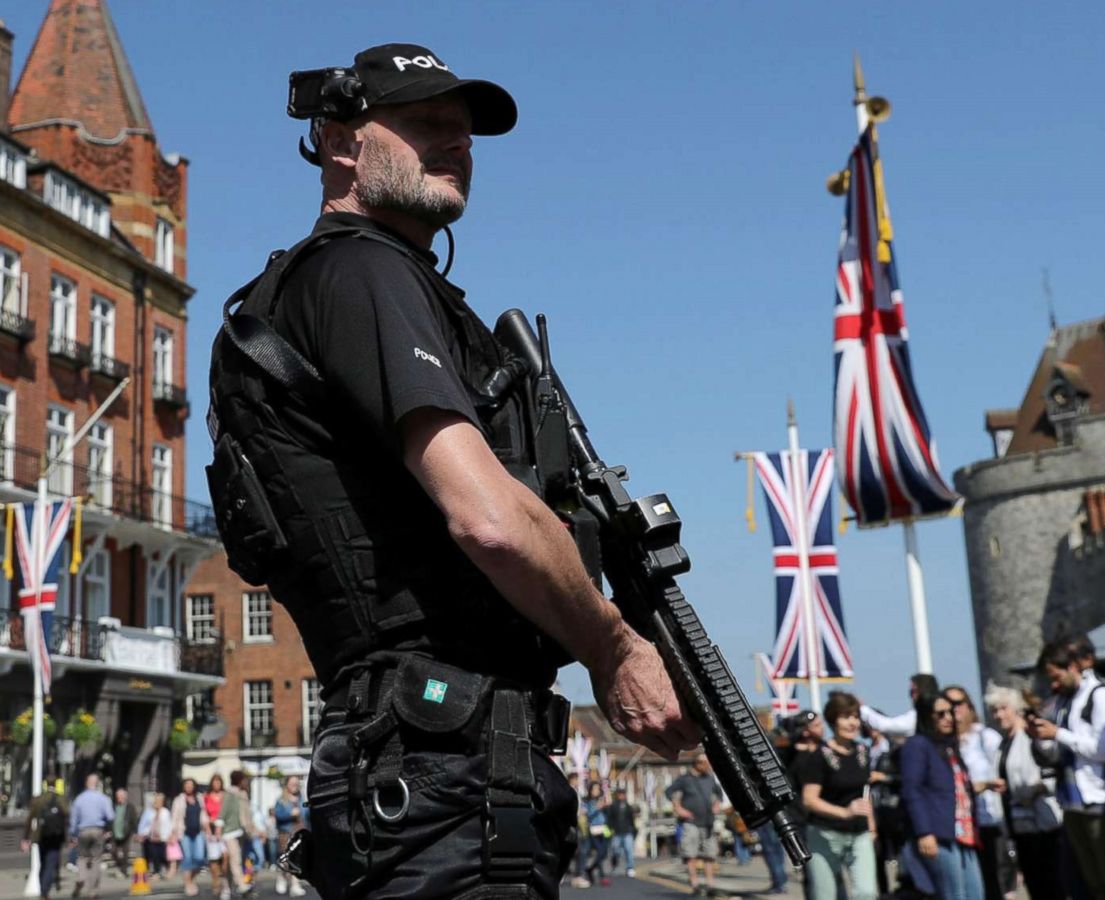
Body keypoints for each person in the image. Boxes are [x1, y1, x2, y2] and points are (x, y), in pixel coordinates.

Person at [205, 41, 698, 898]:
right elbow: (487, 516)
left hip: (424, 763)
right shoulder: (360, 270)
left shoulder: (339, 286)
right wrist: (615, 648)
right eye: (425, 123)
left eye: (464, 131)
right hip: (442, 773)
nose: (456, 142)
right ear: (339, 140)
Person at [1027, 636, 1105, 899]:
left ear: (1072, 667)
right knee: (1093, 881)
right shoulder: (1065, 701)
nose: (1053, 685)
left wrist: (1059, 734)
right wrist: (1041, 736)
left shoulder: (1100, 695)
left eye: (1056, 677)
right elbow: (1058, 750)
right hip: (1073, 802)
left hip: (1102, 800)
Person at [985, 684, 1065, 900]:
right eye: (994, 710)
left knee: (1051, 883)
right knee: (1035, 885)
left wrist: (1032, 789)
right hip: (1018, 827)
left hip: (1041, 824)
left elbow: (1050, 775)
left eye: (1003, 708)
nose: (998, 715)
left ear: (1016, 708)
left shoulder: (1029, 738)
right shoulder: (1003, 744)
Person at [901, 692, 984, 900]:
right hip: (939, 832)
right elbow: (912, 790)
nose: (948, 718)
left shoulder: (949, 747)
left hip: (964, 832)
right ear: (928, 716)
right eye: (940, 713)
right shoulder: (918, 745)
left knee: (975, 893)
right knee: (954, 894)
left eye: (950, 712)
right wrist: (924, 832)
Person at [796, 692, 876, 900]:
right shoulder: (819, 756)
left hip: (859, 834)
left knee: (867, 893)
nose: (852, 723)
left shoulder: (863, 751)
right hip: (824, 833)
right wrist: (844, 812)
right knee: (826, 895)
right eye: (846, 717)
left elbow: (865, 793)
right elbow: (809, 799)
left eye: (856, 717)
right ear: (833, 720)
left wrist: (871, 825)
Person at [944, 686, 1011, 900]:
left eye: (959, 703)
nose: (955, 710)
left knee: (993, 881)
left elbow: (1003, 772)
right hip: (960, 826)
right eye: (949, 705)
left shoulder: (985, 736)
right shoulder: (945, 744)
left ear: (969, 706)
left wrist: (986, 785)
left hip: (987, 821)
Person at [667, 754, 721, 893]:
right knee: (691, 854)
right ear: (697, 764)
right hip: (690, 822)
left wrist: (716, 804)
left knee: (709, 855)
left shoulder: (709, 778)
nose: (708, 766)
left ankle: (710, 885)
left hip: (708, 822)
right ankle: (695, 883)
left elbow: (718, 794)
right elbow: (669, 792)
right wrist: (678, 808)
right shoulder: (685, 779)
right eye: (705, 763)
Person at [22, 783, 70, 900]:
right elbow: (67, 815)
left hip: (41, 836)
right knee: (51, 863)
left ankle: (43, 889)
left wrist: (25, 837)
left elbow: (29, 819)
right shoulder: (60, 799)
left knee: (43, 863)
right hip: (56, 837)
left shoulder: (38, 799)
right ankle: (45, 892)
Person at [69, 774, 113, 899]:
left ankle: (81, 877)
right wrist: (107, 830)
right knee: (96, 859)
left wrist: (73, 834)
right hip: (97, 830)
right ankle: (92, 891)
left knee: (82, 857)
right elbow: (110, 816)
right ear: (97, 783)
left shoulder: (79, 799)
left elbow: (74, 819)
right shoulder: (103, 798)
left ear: (86, 783)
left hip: (83, 830)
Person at [860, 674, 941, 738]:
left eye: (914, 691)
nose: (911, 696)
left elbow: (885, 725)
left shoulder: (919, 716)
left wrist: (862, 708)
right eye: (910, 692)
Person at [214, 772, 251, 898]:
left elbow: (247, 815)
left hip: (240, 832)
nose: (246, 782)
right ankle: (241, 885)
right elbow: (223, 811)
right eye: (244, 779)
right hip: (229, 832)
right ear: (239, 780)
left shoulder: (243, 794)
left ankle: (227, 889)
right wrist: (218, 828)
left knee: (231, 863)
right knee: (236, 859)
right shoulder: (229, 793)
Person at [269, 777, 304, 897]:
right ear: (287, 785)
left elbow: (307, 814)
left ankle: (295, 885)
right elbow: (277, 815)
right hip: (286, 833)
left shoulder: (301, 799)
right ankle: (281, 877)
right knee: (286, 860)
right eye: (292, 783)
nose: (294, 785)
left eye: (296, 783)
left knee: (297, 859)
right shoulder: (281, 800)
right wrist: (290, 814)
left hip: (299, 832)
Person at [170, 779, 205, 897]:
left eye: (191, 785)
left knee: (199, 857)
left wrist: (207, 828)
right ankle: (188, 883)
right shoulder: (179, 800)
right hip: (184, 833)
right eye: (186, 785)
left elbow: (204, 814)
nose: (189, 787)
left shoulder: (200, 798)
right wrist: (173, 833)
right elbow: (174, 817)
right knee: (188, 858)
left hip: (199, 832)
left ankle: (192, 878)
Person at [579, 782, 610, 887]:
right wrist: (597, 808)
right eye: (594, 789)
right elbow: (587, 815)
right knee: (600, 852)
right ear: (590, 790)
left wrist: (605, 806)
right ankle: (602, 876)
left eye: (598, 789)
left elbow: (607, 812)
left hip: (604, 829)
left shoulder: (601, 799)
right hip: (593, 829)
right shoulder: (587, 802)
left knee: (604, 853)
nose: (596, 791)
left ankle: (590, 869)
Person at [137, 793, 171, 883]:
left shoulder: (165, 812)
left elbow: (169, 825)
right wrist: (141, 834)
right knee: (154, 855)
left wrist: (169, 836)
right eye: (156, 801)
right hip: (151, 837)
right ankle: (156, 872)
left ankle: (168, 869)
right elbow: (142, 824)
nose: (157, 802)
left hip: (163, 837)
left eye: (160, 801)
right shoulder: (148, 811)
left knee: (163, 855)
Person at [603, 787, 637, 878]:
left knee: (629, 851)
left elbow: (631, 820)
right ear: (617, 795)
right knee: (616, 851)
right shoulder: (613, 806)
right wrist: (609, 830)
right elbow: (609, 819)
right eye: (620, 794)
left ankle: (630, 868)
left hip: (627, 832)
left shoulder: (628, 806)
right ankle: (615, 866)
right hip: (616, 832)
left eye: (623, 794)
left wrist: (634, 831)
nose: (622, 796)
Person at [109, 787, 139, 878]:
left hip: (126, 832)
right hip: (115, 832)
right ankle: (120, 865)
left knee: (125, 852)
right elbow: (110, 819)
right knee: (113, 851)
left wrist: (135, 832)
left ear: (125, 797)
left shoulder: (130, 807)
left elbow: (134, 820)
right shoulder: (114, 806)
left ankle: (124, 871)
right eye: (118, 796)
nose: (120, 798)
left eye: (121, 796)